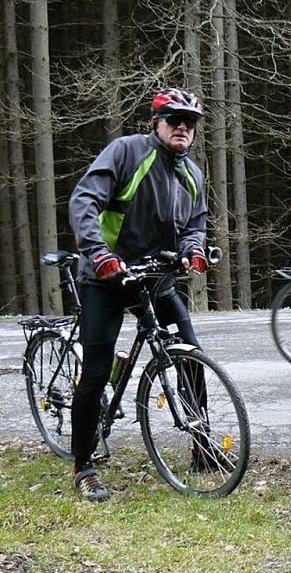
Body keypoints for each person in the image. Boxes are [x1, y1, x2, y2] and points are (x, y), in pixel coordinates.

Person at [68, 87, 210, 501]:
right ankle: (83, 466)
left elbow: (195, 223)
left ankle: (203, 448)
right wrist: (98, 253)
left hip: (154, 279)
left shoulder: (192, 173)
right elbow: (84, 200)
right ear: (156, 123)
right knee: (95, 372)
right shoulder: (126, 151)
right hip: (107, 278)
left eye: (190, 122)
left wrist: (193, 250)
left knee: (190, 356)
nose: (183, 127)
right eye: (173, 119)